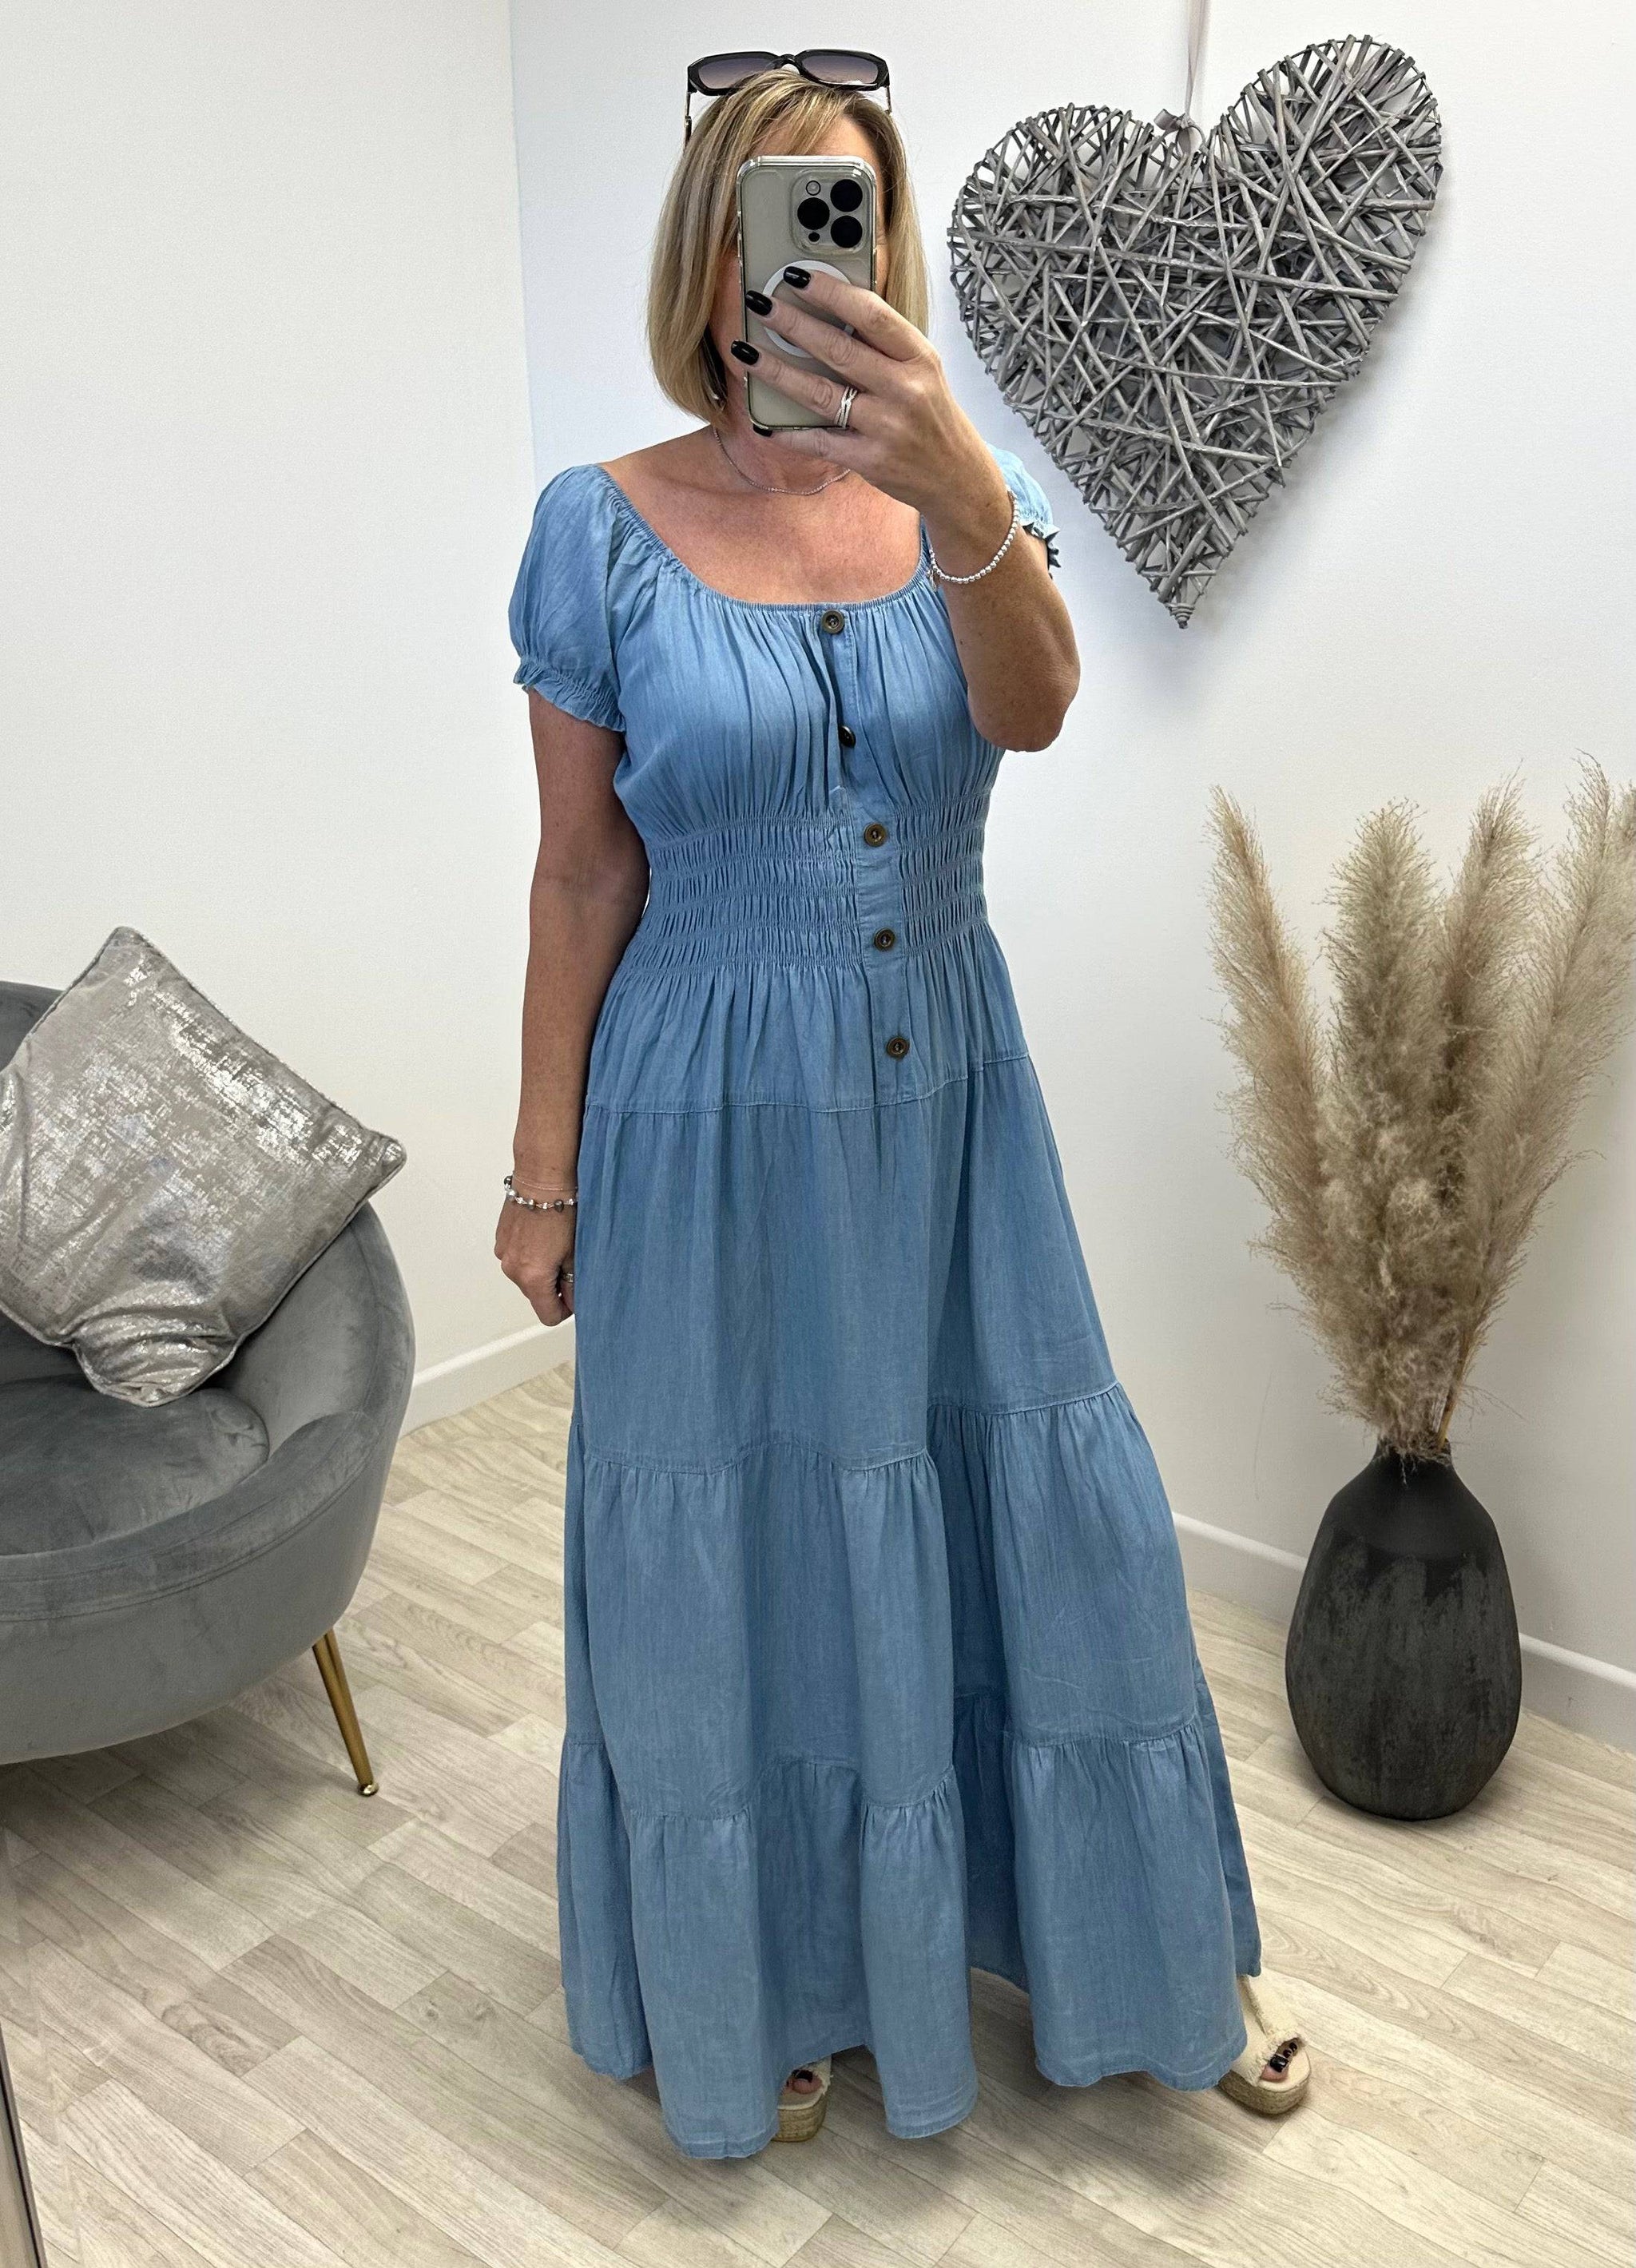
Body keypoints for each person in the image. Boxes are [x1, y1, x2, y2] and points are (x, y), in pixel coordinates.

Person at [496, 59, 1308, 2162]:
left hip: (950, 1092)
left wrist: (959, 490)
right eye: (768, 218)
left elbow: (1032, 711)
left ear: (887, 247)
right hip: (705, 1109)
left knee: (1046, 1497)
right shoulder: (598, 524)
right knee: (749, 1529)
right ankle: (763, 1973)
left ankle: (1145, 1951)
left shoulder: (967, 491)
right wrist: (541, 1170)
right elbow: (581, 872)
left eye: (841, 213)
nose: (801, 265)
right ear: (708, 252)